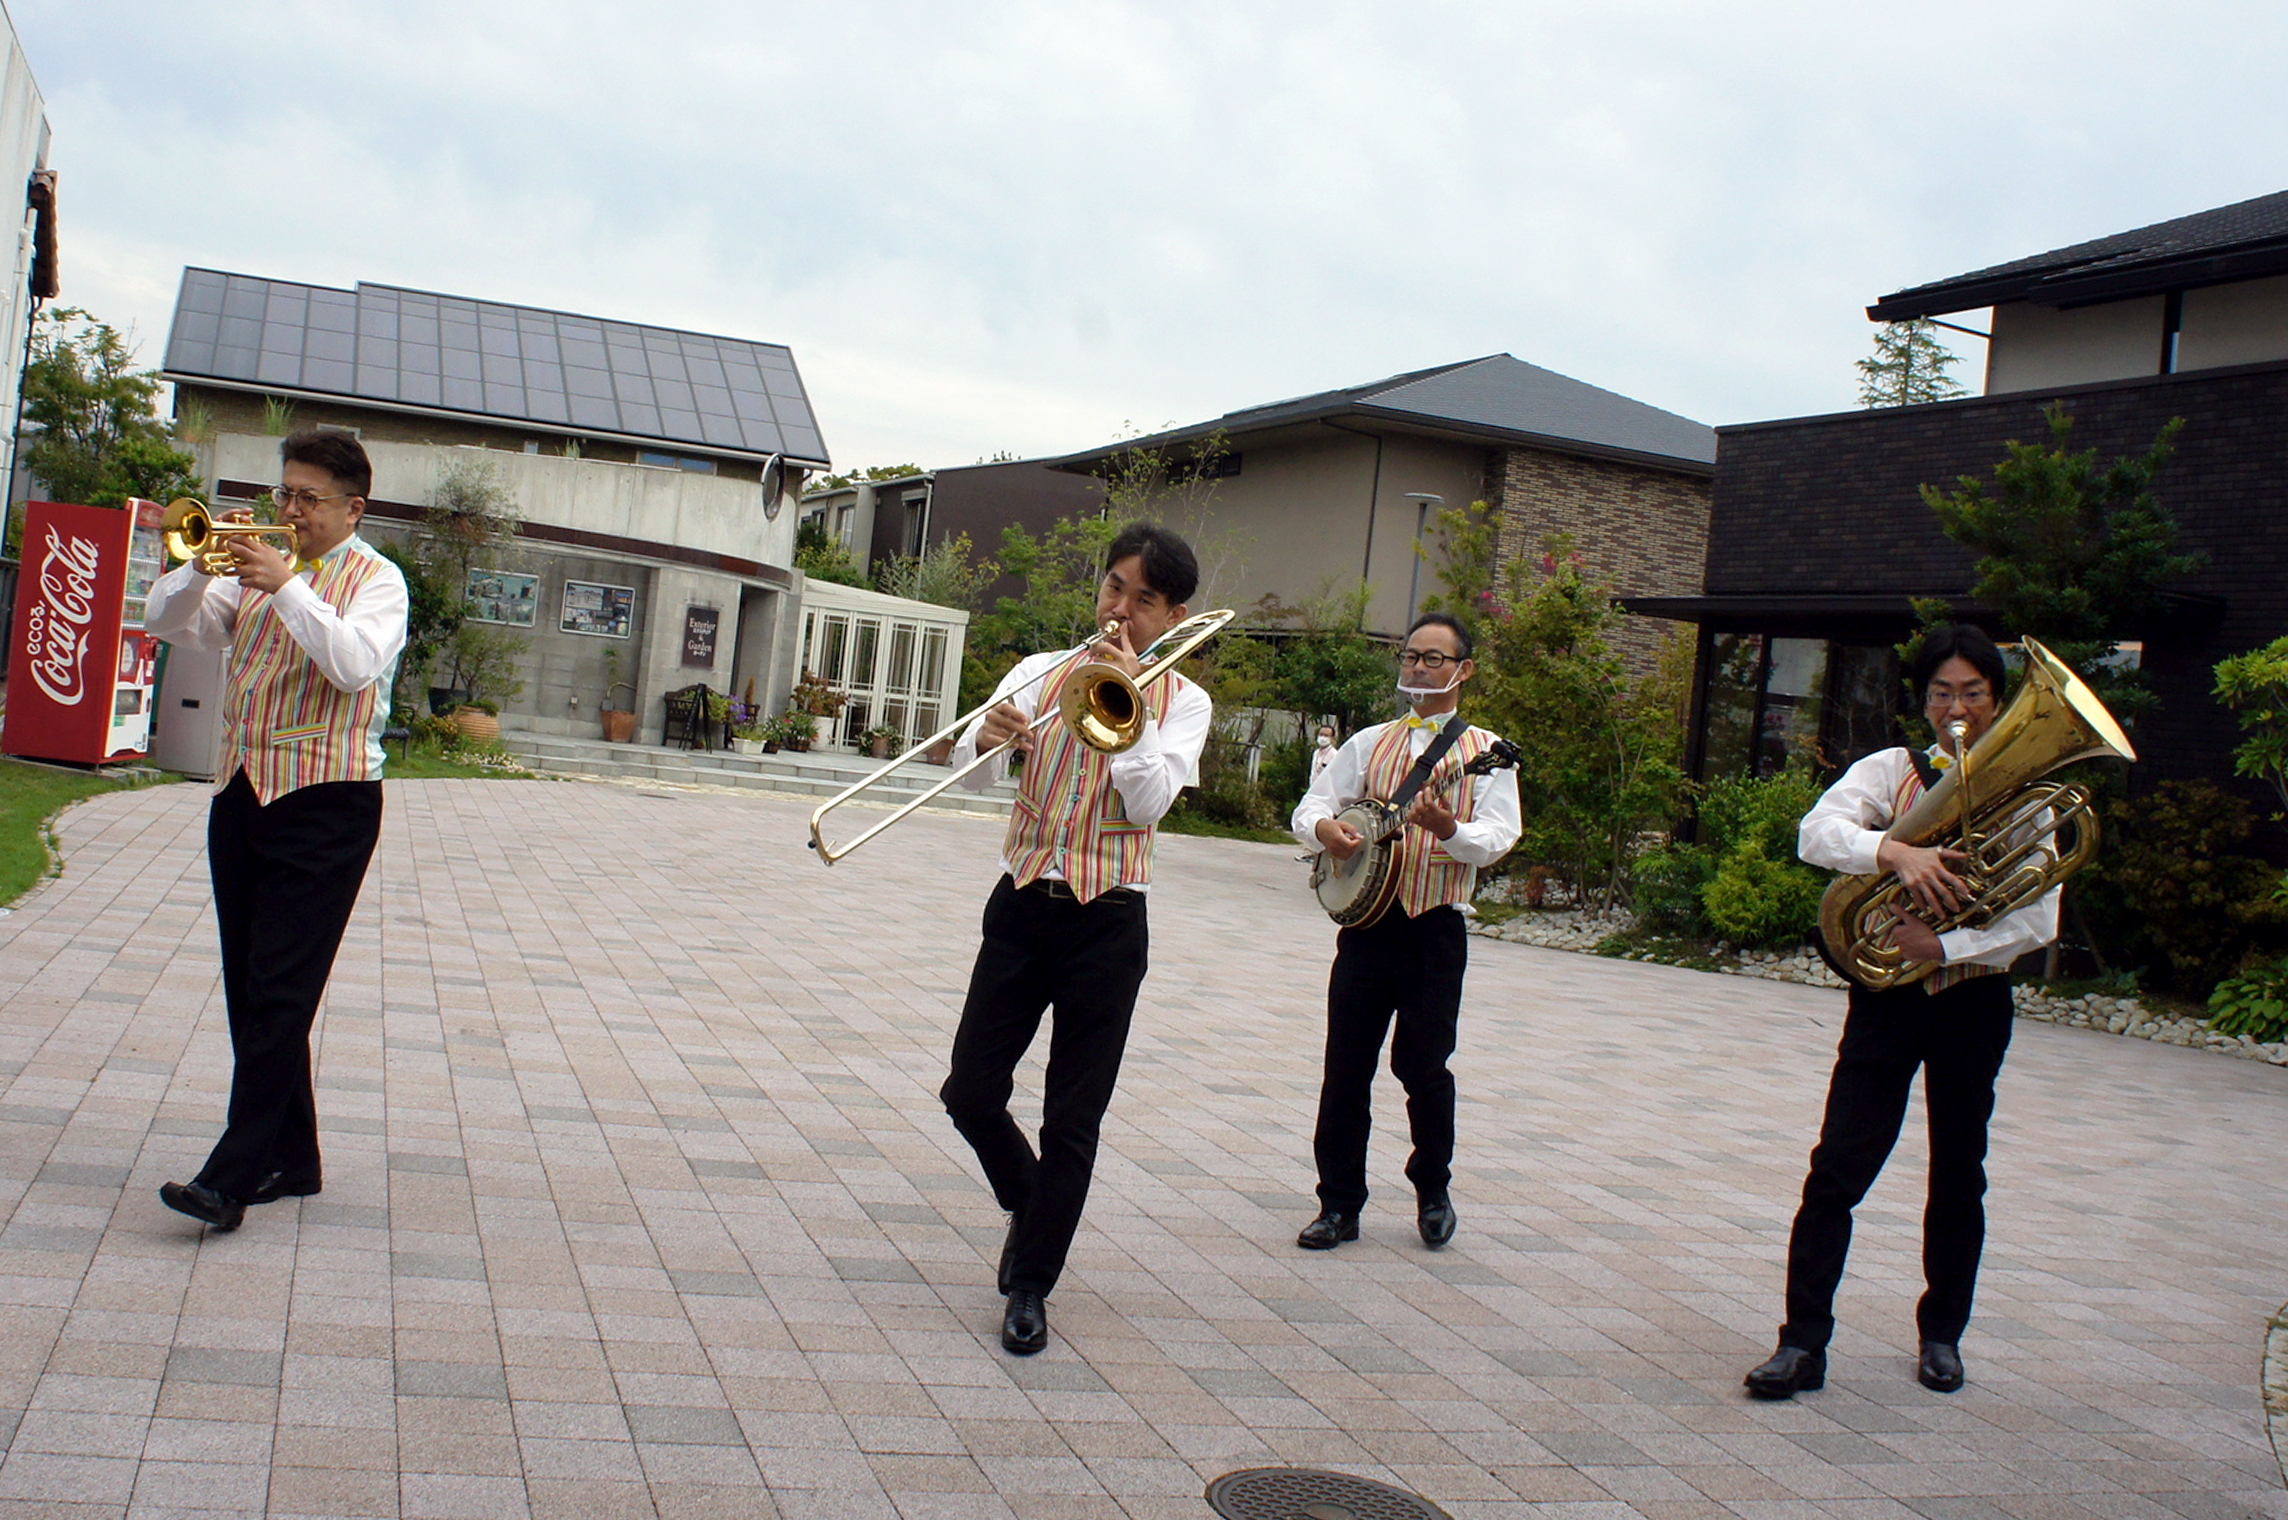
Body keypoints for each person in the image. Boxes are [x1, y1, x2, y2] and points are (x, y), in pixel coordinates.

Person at [1744, 624, 2056, 1399]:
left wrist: (1943, 947)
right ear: (1923, 702)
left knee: (1959, 1171)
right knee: (1837, 1167)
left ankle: (1942, 1335)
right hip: (1885, 1000)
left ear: (1997, 701)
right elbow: (1816, 832)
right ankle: (1801, 1343)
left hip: (1973, 1000)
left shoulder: (2029, 792)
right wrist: (1894, 852)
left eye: (1973, 693)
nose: (1958, 707)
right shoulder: (1892, 771)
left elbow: (2038, 919)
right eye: (1942, 692)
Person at [941, 522, 1212, 1355]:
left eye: (1144, 599)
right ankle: (1033, 1204)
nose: (1120, 610)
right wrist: (984, 740)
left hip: (1109, 920)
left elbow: (1150, 803)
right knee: (969, 1091)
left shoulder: (1186, 702)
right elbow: (965, 769)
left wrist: (1129, 709)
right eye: (1113, 588)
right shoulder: (1040, 670)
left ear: (1174, 615)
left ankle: (1030, 1284)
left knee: (1072, 1117)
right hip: (1023, 900)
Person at [145, 429, 409, 1233]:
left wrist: (289, 585)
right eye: (283, 493)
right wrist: (200, 567)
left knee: (283, 992)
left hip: (328, 801)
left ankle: (229, 1179)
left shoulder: (379, 581)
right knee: (250, 983)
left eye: (307, 498)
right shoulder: (256, 569)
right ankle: (293, 1158)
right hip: (242, 791)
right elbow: (168, 624)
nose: (289, 510)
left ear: (352, 509)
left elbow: (354, 664)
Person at [1289, 612, 1519, 1253]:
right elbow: (1312, 805)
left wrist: (1451, 830)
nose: (1417, 666)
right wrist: (1325, 831)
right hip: (1366, 928)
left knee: (1424, 1067)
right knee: (1345, 1068)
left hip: (1434, 928)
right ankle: (1338, 1205)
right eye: (1411, 656)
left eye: (1433, 658)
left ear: (1464, 670)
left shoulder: (1487, 753)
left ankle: (1433, 1190)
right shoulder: (1369, 743)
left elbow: (1499, 837)